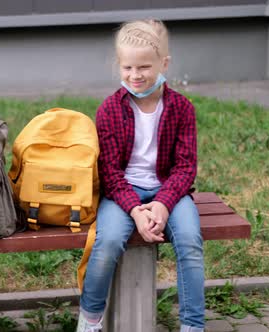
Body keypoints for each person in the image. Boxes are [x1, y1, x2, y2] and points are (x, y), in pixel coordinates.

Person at [77, 19, 204, 332]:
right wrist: (135, 209)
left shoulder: (181, 109)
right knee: (105, 243)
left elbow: (186, 166)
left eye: (144, 67)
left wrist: (162, 203)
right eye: (127, 68)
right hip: (122, 194)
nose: (135, 76)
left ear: (164, 64)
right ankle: (90, 320)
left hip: (169, 191)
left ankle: (193, 325)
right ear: (119, 65)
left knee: (189, 242)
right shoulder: (109, 109)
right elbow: (109, 171)